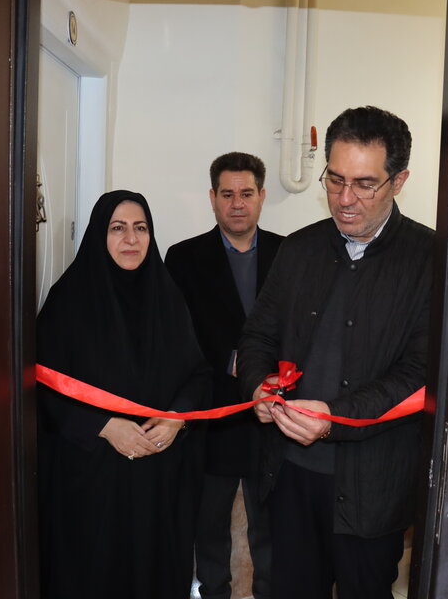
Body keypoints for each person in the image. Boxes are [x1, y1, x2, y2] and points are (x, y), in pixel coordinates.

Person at [237, 107, 433, 599]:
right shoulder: (299, 249)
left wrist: (334, 418)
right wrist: (258, 386)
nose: (345, 199)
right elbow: (257, 337)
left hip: (373, 487)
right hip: (289, 477)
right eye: (336, 180)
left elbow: (418, 374)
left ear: (399, 180)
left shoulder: (428, 260)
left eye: (365, 184)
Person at [36, 190, 210, 599]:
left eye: (140, 228)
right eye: (118, 228)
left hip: (157, 481)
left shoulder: (167, 297)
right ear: (100, 235)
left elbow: (199, 375)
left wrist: (176, 418)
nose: (131, 239)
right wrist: (103, 427)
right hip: (92, 482)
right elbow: (42, 385)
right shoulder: (68, 300)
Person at [165, 152, 284, 599]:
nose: (238, 203)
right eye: (228, 194)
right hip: (212, 416)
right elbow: (175, 336)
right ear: (212, 198)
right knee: (209, 524)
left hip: (272, 414)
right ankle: (212, 592)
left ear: (262, 196)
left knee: (270, 526)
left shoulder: (289, 253)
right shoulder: (183, 258)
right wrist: (229, 361)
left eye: (247, 193)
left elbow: (302, 327)